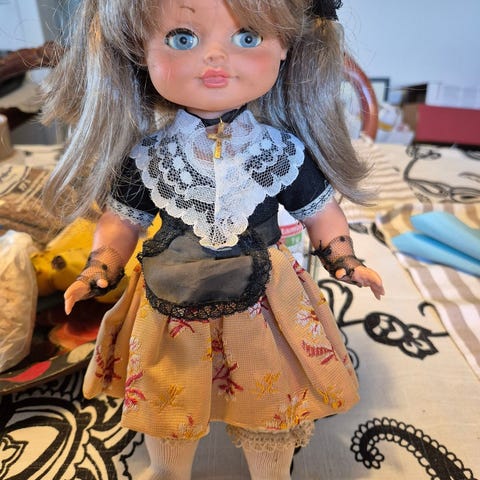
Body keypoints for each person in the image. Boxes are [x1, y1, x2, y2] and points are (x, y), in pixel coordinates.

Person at [42, 0, 384, 478]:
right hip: (171, 298)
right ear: (140, 49)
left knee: (270, 395)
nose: (215, 57)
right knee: (167, 394)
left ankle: (270, 472)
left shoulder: (279, 151)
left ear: (285, 46)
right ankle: (168, 471)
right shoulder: (150, 155)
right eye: (182, 38)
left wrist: (344, 259)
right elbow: (122, 221)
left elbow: (320, 212)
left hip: (265, 301)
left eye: (248, 37)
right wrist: (102, 266)